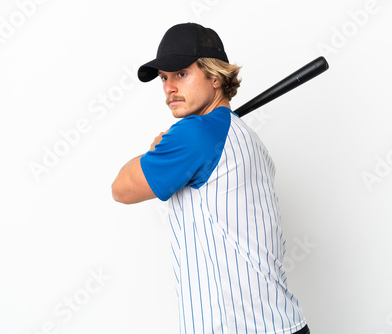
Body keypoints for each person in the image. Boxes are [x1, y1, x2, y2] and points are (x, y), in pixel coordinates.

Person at [112, 22, 310, 334]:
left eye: (181, 74)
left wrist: (153, 152)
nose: (168, 87)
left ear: (214, 76)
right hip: (281, 321)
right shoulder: (246, 137)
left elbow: (121, 188)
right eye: (164, 78)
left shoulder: (195, 134)